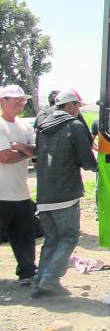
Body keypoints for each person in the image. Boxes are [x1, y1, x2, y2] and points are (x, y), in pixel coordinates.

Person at [31, 88, 97, 298]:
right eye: (77, 106)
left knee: (51, 239)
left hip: (44, 193)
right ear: (69, 106)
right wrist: (101, 168)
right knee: (68, 237)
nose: (78, 110)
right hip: (66, 193)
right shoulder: (74, 126)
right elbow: (86, 161)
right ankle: (50, 278)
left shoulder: (42, 125)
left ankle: (40, 283)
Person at [0, 85, 37, 285]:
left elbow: (38, 150)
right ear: (2, 101)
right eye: (15, 99)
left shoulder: (25, 126)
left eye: (22, 100)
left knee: (25, 236)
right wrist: (27, 151)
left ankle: (27, 273)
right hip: (1, 193)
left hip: (21, 193)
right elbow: (4, 157)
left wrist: (20, 149)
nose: (20, 103)